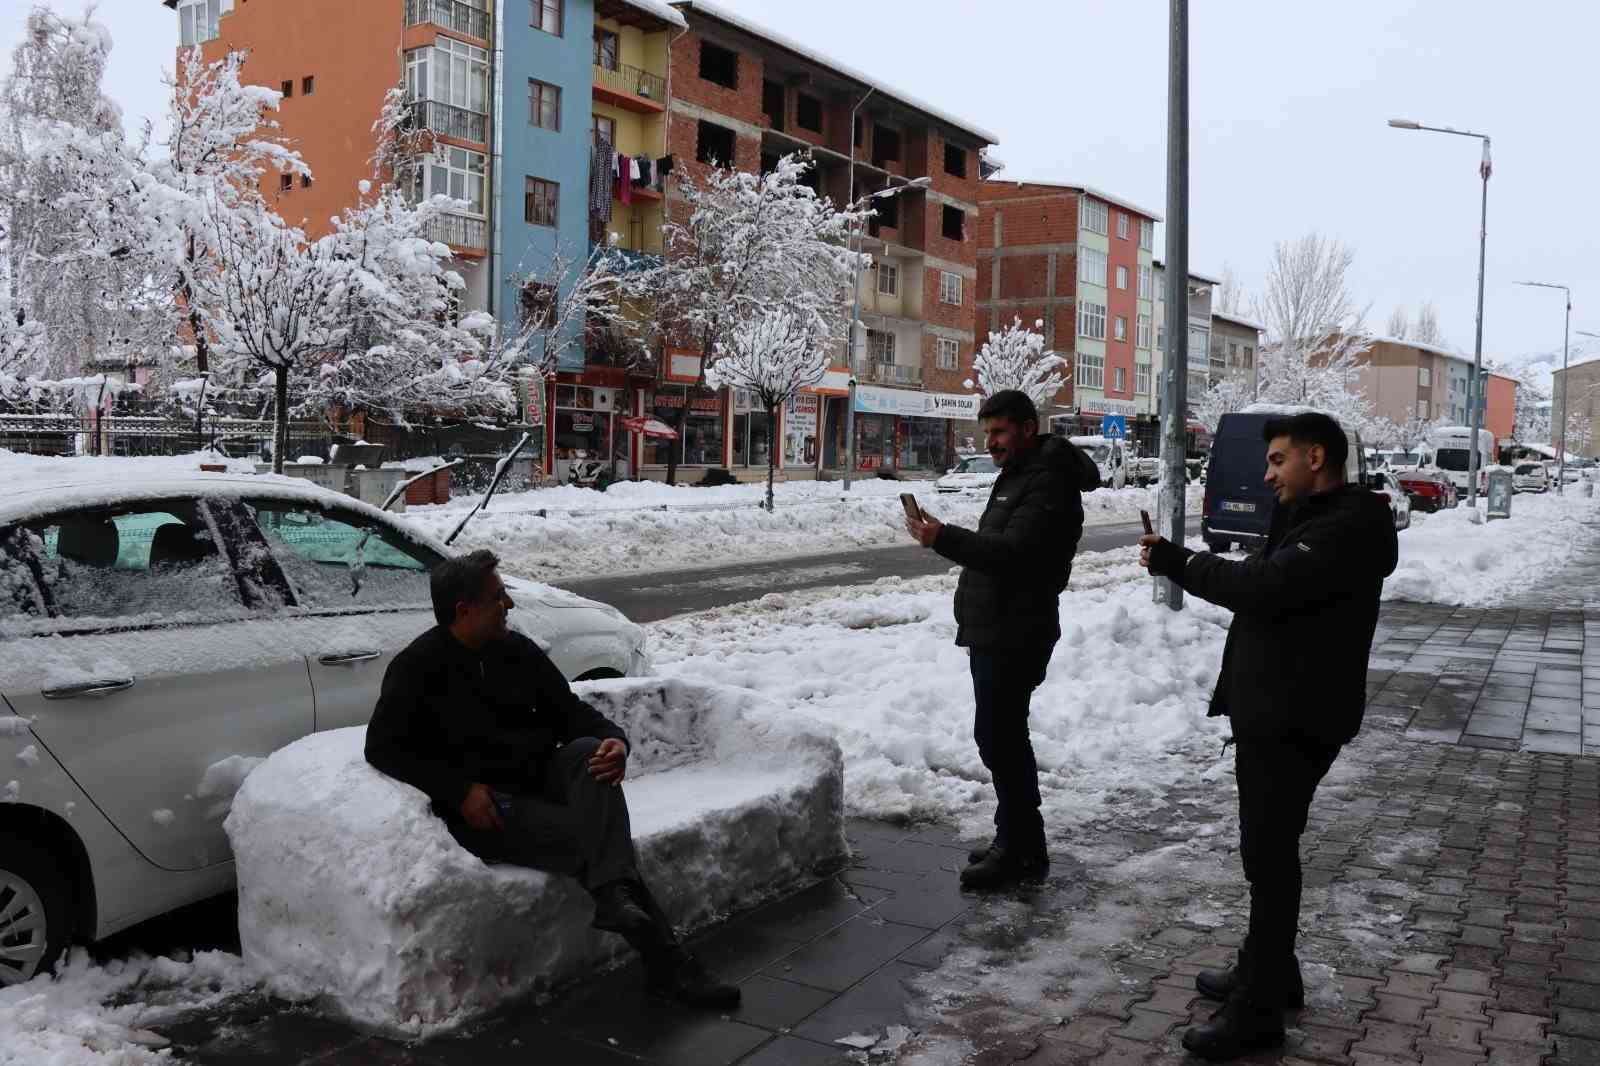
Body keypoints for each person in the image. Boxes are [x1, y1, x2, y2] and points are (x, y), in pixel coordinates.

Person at [364, 549, 739, 1008]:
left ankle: (620, 904)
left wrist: (615, 741)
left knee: (587, 755)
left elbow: (571, 714)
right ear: (465, 610)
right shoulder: (417, 668)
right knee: (600, 847)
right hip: (490, 809)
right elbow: (382, 747)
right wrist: (458, 791)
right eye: (498, 598)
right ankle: (669, 964)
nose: (510, 606)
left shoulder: (515, 652)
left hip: (543, 781)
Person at [1138, 412, 1398, 1061]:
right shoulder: (1312, 517)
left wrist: (1178, 561)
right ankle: (1272, 974)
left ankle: (1256, 1015)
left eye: (1278, 460)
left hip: (1295, 717)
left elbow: (1263, 586)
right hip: (1277, 710)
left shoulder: (1345, 528)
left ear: (1316, 457)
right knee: (1268, 854)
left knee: (1272, 860)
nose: (1267, 473)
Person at [904, 389, 1100, 890]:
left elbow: (1014, 555)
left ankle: (1020, 849)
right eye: (986, 432)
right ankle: (1015, 839)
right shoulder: (1020, 476)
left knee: (1001, 737)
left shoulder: (1048, 482)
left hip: (1018, 629)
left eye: (998, 432)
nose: (989, 442)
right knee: (1000, 736)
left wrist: (943, 538)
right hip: (998, 625)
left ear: (1027, 429)